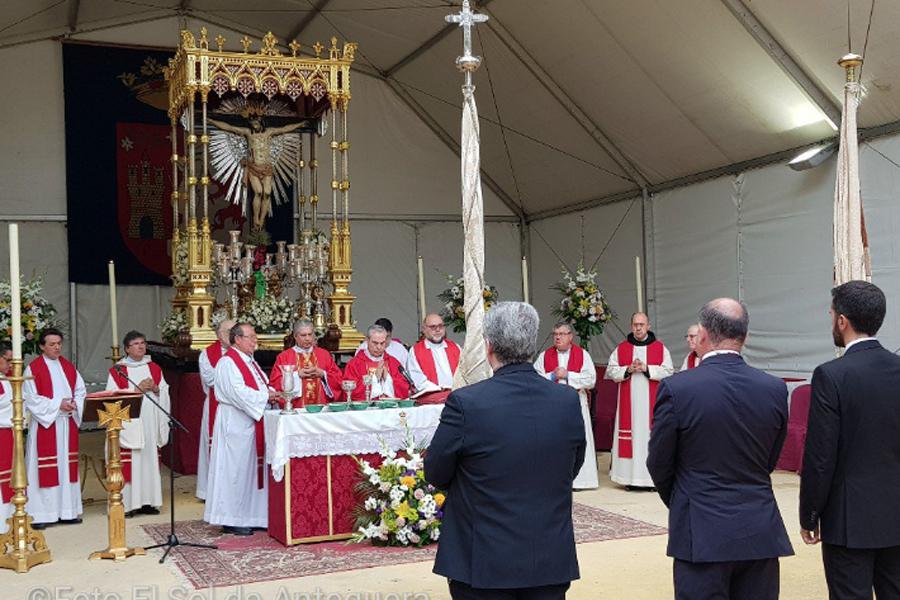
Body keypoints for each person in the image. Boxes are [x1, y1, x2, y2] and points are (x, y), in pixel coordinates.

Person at [425, 302, 585, 599]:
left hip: (484, 555)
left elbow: (436, 471)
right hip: (547, 553)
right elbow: (572, 466)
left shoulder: (466, 403)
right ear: (533, 345)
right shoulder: (565, 400)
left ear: (489, 347)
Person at [647, 298, 792, 600]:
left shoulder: (678, 389)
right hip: (758, 527)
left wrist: (682, 497)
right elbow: (769, 458)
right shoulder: (774, 389)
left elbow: (659, 462)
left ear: (701, 335)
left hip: (700, 528)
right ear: (745, 337)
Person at [800, 281, 900, 599]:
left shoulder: (831, 375)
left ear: (842, 321)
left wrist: (810, 514)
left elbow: (821, 454)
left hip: (848, 518)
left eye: (831, 315)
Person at [204, 323, 280, 535]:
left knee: (249, 471)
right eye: (251, 337)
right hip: (235, 424)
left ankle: (252, 515)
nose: (255, 340)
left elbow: (261, 385)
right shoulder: (228, 363)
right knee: (235, 471)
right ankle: (232, 518)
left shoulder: (250, 362)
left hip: (250, 422)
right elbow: (238, 392)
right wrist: (267, 396)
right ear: (237, 339)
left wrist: (274, 393)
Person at [23, 328, 86, 528]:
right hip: (46, 424)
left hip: (66, 424)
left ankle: (68, 511)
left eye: (59, 343)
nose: (57, 347)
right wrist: (58, 404)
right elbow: (30, 398)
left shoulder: (68, 367)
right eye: (52, 344)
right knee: (44, 469)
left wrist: (75, 403)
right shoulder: (33, 369)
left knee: (66, 468)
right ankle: (41, 514)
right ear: (42, 346)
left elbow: (80, 390)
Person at [105, 330, 170, 517]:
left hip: (149, 421)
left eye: (142, 343)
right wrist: (136, 389)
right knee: (131, 461)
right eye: (135, 344)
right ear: (126, 349)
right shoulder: (118, 370)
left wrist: (157, 389)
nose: (141, 346)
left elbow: (164, 392)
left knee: (149, 459)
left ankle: (148, 502)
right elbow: (112, 397)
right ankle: (128, 503)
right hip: (129, 423)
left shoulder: (155, 368)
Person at [605, 312, 673, 489]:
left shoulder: (660, 348)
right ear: (631, 326)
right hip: (629, 406)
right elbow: (611, 370)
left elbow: (669, 371)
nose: (638, 327)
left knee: (649, 438)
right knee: (631, 438)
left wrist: (646, 368)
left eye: (642, 324)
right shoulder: (621, 349)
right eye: (635, 324)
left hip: (651, 405)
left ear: (648, 326)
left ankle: (651, 480)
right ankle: (629, 479)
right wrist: (627, 369)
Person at [209, 113, 305, 231]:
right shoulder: (248, 133)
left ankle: (262, 219)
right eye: (252, 124)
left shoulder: (268, 132)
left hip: (267, 168)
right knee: (259, 192)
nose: (254, 126)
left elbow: (284, 129)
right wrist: (212, 121)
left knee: (268, 193)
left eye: (256, 123)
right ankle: (255, 218)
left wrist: (300, 124)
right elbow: (229, 127)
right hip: (254, 167)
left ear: (261, 123)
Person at [533, 322, 598, 490]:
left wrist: (568, 375)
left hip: (576, 403)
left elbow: (591, 379)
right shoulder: (544, 356)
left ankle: (583, 480)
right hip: (551, 406)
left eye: (562, 334)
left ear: (571, 336)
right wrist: (552, 375)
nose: (557, 337)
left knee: (579, 439)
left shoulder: (583, 355)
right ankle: (553, 478)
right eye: (555, 333)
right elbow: (535, 379)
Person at [196, 318, 235, 501]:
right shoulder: (207, 354)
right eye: (228, 331)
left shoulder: (243, 352)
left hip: (237, 408)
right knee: (212, 445)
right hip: (215, 404)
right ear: (219, 335)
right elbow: (210, 379)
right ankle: (209, 490)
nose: (233, 335)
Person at [269, 319, 343, 407]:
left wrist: (323, 374)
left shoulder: (324, 354)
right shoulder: (284, 357)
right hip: (296, 408)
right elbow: (275, 384)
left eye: (310, 334)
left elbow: (338, 379)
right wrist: (297, 375)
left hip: (321, 408)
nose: (307, 338)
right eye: (303, 335)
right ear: (295, 336)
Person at [344, 325, 410, 401]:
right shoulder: (355, 364)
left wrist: (388, 378)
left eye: (382, 343)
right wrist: (374, 378)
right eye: (375, 343)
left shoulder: (393, 362)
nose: (379, 347)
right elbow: (350, 392)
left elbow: (405, 389)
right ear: (367, 340)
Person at [406, 313, 460, 403]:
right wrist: (441, 391)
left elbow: (465, 373)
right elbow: (418, 380)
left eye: (440, 326)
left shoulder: (456, 348)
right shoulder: (416, 351)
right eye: (433, 327)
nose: (438, 330)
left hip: (457, 397)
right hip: (431, 401)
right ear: (424, 329)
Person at [0, 350, 12, 534]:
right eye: (8, 360)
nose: (12, 364)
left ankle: (8, 522)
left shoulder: (7, 380)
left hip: (9, 433)